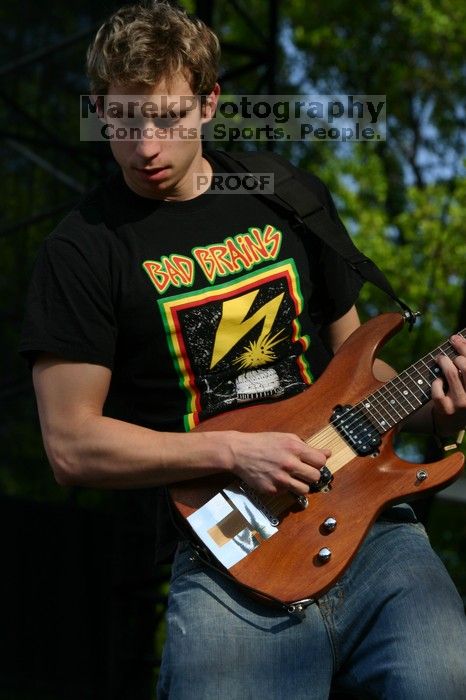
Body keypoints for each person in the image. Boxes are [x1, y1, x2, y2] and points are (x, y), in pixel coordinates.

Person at [20, 2, 466, 698]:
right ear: (98, 109)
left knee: (444, 677)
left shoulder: (288, 197)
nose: (145, 146)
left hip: (372, 524)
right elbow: (72, 447)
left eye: (168, 118)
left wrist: (436, 412)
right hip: (223, 547)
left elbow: (360, 372)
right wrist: (232, 452)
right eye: (124, 121)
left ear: (209, 103)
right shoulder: (82, 250)